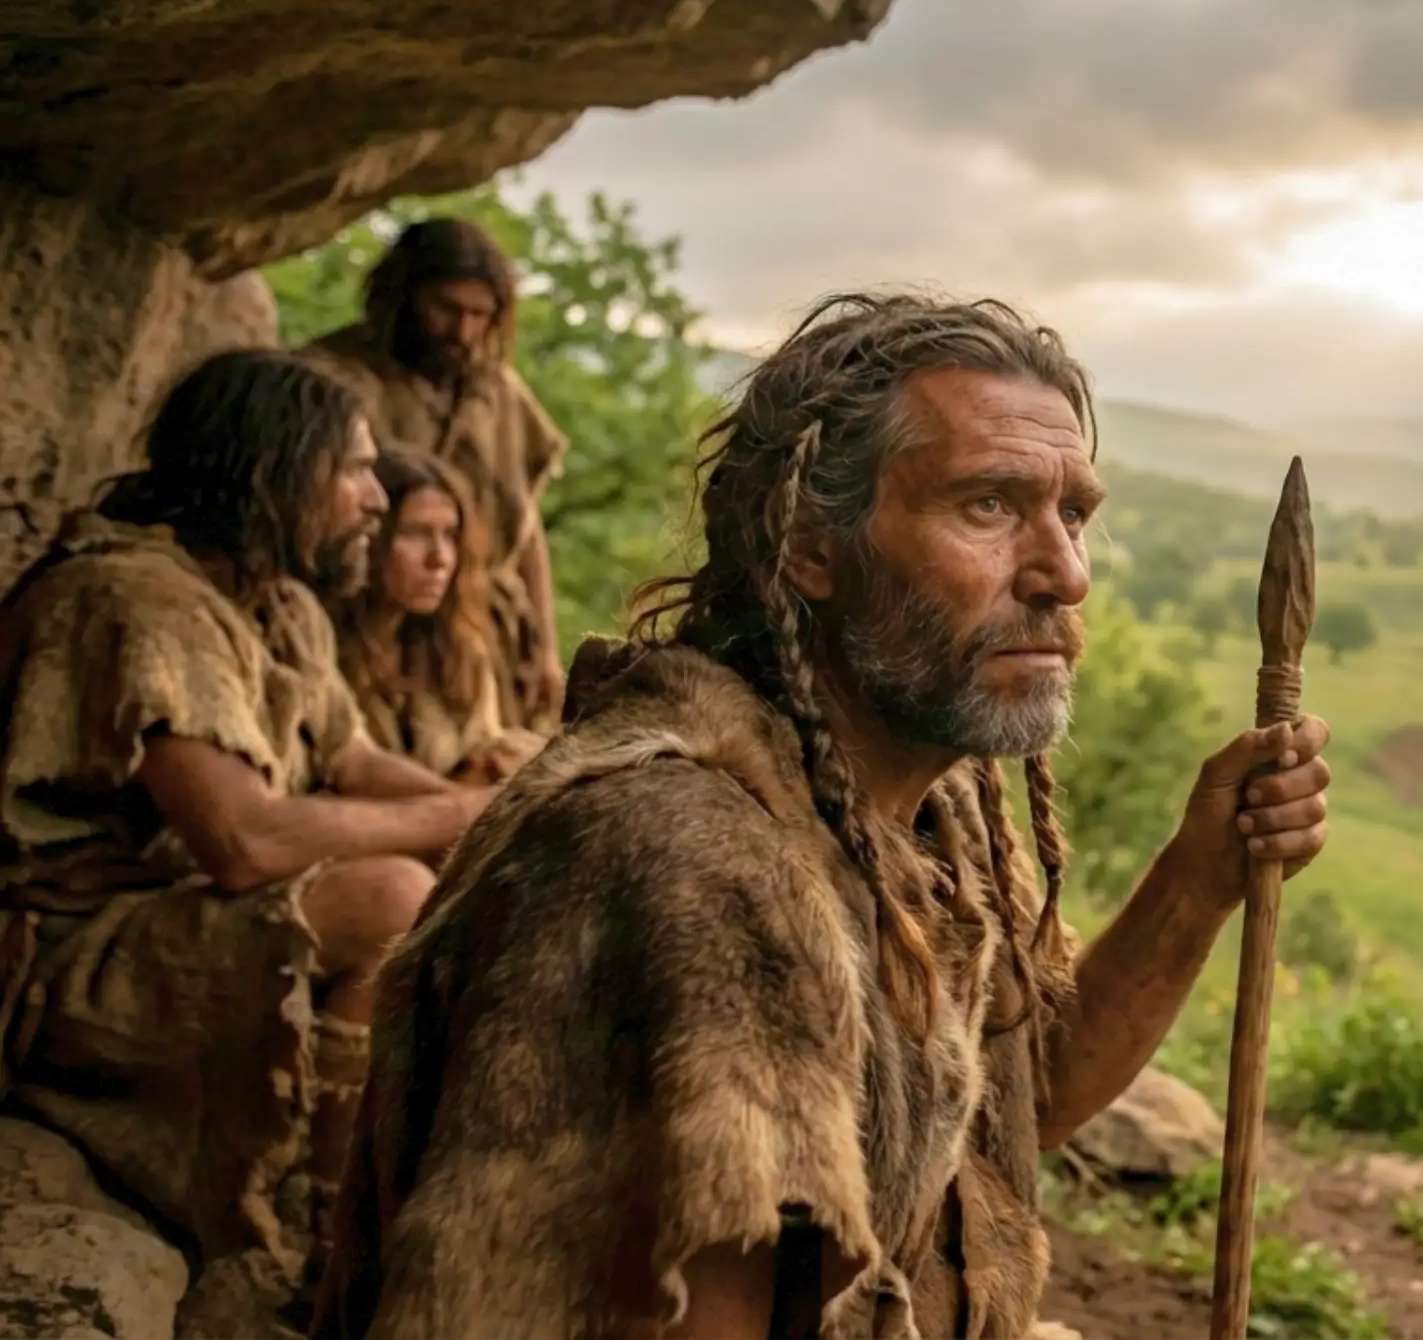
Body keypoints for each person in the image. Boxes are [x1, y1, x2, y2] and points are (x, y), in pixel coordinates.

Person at [311, 292, 1335, 1340]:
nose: (1064, 574)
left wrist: (1200, 875)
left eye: (1072, 514)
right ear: (808, 546)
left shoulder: (928, 804)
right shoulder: (687, 861)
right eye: (987, 506)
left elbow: (1020, 1104)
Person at [0, 351, 495, 1311]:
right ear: (273, 469)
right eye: (351, 471)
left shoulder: (280, 604)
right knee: (389, 895)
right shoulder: (132, 602)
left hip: (173, 925)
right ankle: (324, 1243)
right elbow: (244, 843)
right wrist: (458, 812)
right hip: (66, 957)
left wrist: (507, 805)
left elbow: (350, 762)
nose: (369, 500)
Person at [299, 216, 571, 733]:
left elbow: (525, 525)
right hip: (368, 631)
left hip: (485, 635)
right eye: (445, 309)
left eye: (479, 316)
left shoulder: (498, 393)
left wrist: (546, 647)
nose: (462, 332)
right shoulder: (332, 381)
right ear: (406, 296)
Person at [334, 445, 548, 784]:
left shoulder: (460, 653)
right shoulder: (325, 649)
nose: (440, 558)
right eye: (415, 533)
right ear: (370, 537)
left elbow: (487, 756)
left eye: (450, 535)